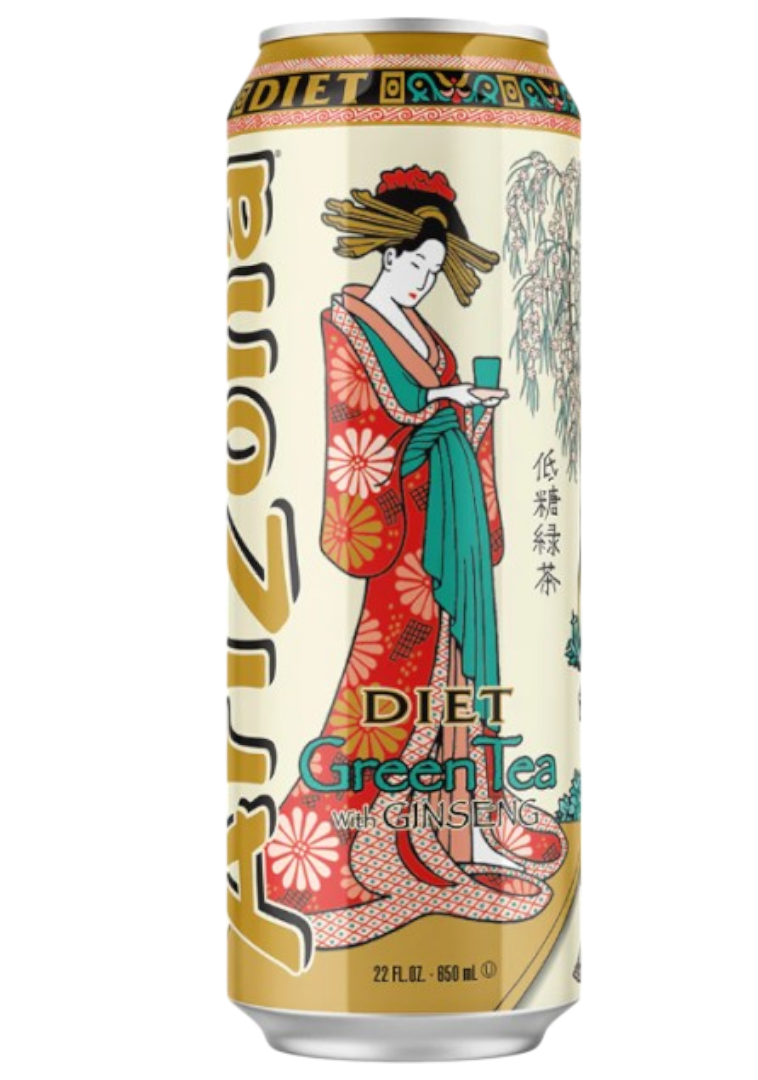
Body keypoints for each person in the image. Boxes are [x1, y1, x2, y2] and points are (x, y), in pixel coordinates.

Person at [264, 167, 567, 949]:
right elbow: (359, 417)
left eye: (435, 273)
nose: (426, 283)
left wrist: (469, 414)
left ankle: (465, 828)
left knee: (460, 669)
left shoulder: (424, 332)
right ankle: (354, 840)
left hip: (448, 511)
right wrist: (440, 403)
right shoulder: (347, 323)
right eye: (419, 267)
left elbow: (431, 411)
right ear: (389, 255)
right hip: (402, 532)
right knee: (395, 670)